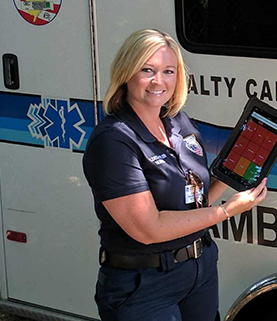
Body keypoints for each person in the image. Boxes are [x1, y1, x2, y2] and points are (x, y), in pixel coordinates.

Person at [82, 29, 267, 320]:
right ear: (126, 73)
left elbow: (193, 198)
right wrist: (227, 211)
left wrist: (233, 172)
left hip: (199, 268)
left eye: (168, 71)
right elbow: (148, 228)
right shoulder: (114, 140)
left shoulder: (176, 120)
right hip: (144, 284)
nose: (159, 81)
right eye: (147, 70)